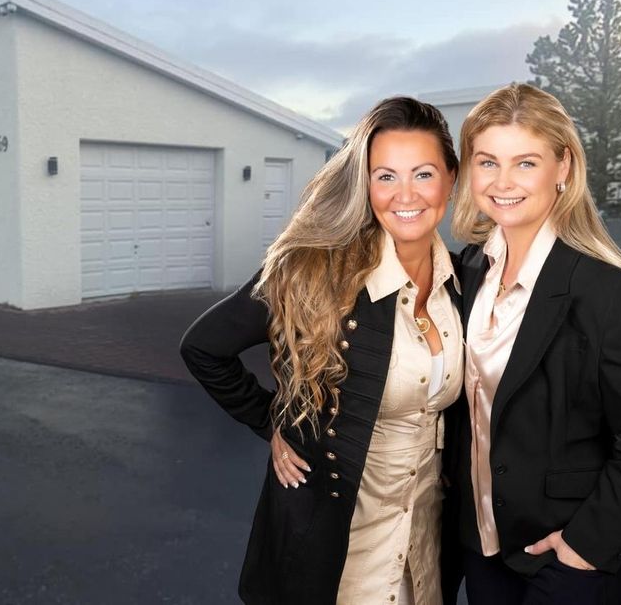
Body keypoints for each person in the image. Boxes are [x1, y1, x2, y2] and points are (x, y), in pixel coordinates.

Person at [180, 96, 464, 605]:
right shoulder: (313, 272)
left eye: (423, 174)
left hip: (425, 541)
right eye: (385, 176)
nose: (405, 194)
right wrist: (272, 421)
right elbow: (204, 348)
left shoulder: (465, 283)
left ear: (450, 179)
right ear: (364, 185)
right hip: (340, 546)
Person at [444, 83, 621, 605]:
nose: (503, 182)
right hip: (484, 546)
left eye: (525, 163)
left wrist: (585, 547)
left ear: (562, 166)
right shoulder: (470, 269)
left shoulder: (602, 288)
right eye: (487, 162)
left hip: (566, 557)